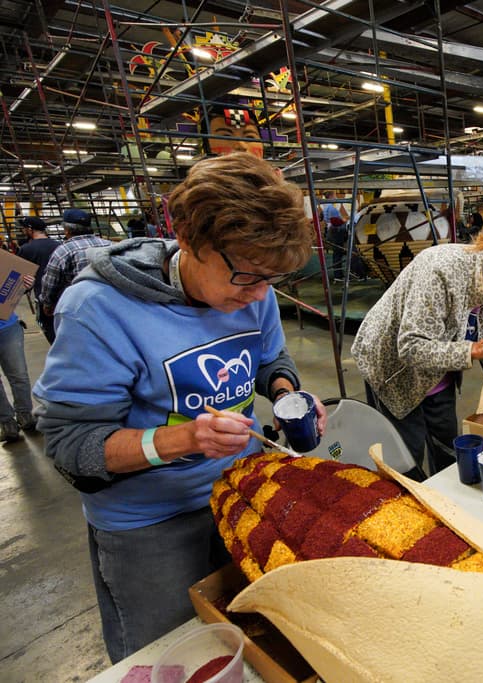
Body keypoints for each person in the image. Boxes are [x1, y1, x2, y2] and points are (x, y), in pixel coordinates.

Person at [32, 152, 326, 663]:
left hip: (240, 492)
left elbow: (268, 354)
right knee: (168, 659)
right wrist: (184, 439)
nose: (258, 294)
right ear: (188, 238)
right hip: (148, 525)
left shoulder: (253, 289)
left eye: (271, 282)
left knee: (257, 641)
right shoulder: (100, 309)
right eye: (246, 277)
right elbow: (70, 444)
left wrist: (284, 392)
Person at [352, 230, 483, 477]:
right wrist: (475, 349)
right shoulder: (440, 272)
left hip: (438, 373)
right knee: (405, 458)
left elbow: (478, 332)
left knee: (448, 449)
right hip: (394, 370)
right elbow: (411, 347)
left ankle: (445, 500)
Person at [38, 209, 112, 340]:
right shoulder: (109, 245)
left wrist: (47, 303)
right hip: (111, 303)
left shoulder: (64, 250)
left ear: (67, 230)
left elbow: (50, 281)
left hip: (80, 308)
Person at [0, 276, 37, 442]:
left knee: (19, 375)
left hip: (7, 327)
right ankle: (7, 423)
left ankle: (25, 415)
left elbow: (11, 280)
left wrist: (26, 285)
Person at [16, 216, 60, 342]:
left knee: (51, 331)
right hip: (63, 296)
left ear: (30, 229)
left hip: (43, 297)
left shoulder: (27, 249)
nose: (23, 231)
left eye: (24, 228)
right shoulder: (59, 245)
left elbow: (18, 275)